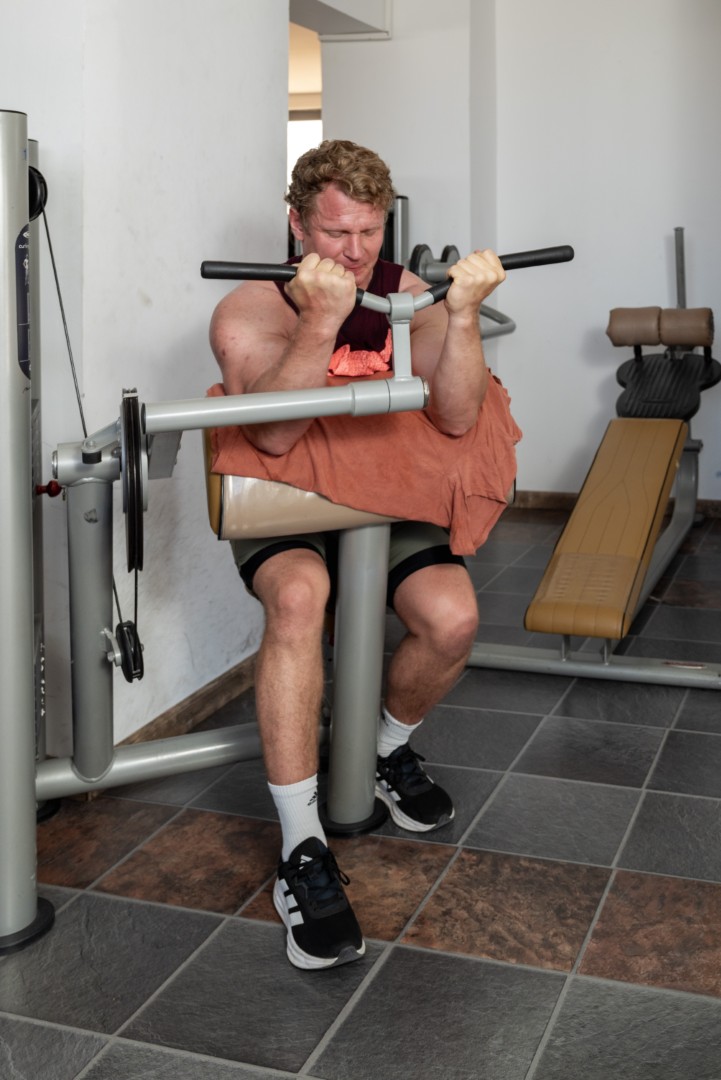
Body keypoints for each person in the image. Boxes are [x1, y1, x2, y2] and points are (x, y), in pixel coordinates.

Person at [209, 139, 506, 971]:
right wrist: (322, 320)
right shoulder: (247, 308)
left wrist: (462, 315)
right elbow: (272, 434)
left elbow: (455, 417)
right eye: (335, 233)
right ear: (296, 223)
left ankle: (380, 750)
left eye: (368, 233)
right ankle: (301, 844)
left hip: (380, 491)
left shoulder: (404, 295)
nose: (353, 252)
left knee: (451, 620)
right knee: (299, 599)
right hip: (287, 498)